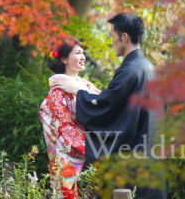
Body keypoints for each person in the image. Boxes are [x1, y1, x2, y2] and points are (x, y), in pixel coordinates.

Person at [52, 13, 165, 199]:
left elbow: (107, 107)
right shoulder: (146, 66)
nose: (112, 42)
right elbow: (116, 103)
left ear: (124, 37)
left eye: (113, 36)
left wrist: (79, 92)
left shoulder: (131, 70)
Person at [39, 38, 101, 199]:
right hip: (68, 156)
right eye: (78, 53)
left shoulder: (84, 84)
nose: (83, 57)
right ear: (64, 59)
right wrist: (95, 148)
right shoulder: (58, 91)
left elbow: (106, 105)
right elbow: (65, 128)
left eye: (83, 53)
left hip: (87, 152)